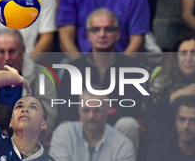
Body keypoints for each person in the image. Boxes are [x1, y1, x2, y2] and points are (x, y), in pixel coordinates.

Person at [55, 8, 145, 145]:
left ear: (118, 34)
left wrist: (97, 117)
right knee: (64, 127)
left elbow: (131, 109)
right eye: (95, 30)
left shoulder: (131, 68)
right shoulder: (74, 68)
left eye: (108, 29)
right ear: (88, 35)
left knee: (129, 124)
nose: (102, 35)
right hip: (83, 130)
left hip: (117, 134)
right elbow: (67, 110)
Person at [0, 29, 58, 129]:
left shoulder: (42, 76)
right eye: (1, 52)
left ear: (23, 50)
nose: (7, 57)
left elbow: (49, 117)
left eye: (12, 51)